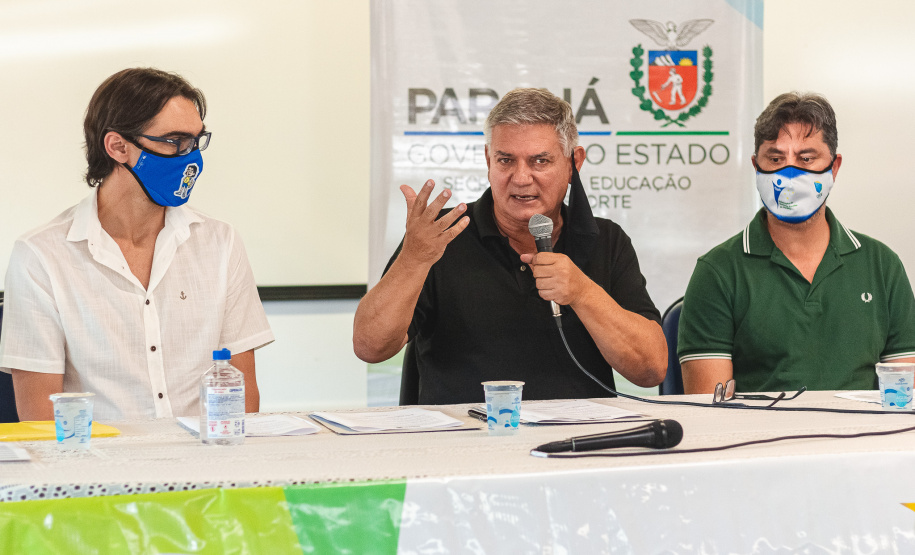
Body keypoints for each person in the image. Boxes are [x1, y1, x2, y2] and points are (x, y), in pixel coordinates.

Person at [353, 88, 667, 404]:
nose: (520, 178)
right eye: (506, 160)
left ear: (574, 163)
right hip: (461, 443)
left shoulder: (606, 240)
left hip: (576, 442)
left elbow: (651, 370)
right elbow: (370, 346)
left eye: (539, 161)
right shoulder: (439, 235)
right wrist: (414, 259)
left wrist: (583, 293)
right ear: (489, 160)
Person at [0, 68, 274, 420]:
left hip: (206, 463)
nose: (190, 157)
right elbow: (40, 418)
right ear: (117, 147)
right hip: (97, 468)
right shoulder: (41, 255)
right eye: (175, 141)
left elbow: (242, 397)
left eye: (195, 141)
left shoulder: (220, 242)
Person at [678, 92, 915, 394]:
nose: (789, 173)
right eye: (775, 159)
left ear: (834, 167)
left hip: (862, 439)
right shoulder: (718, 271)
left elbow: (905, 400)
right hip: (760, 441)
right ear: (756, 166)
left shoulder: (882, 265)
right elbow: (711, 412)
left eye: (806, 158)